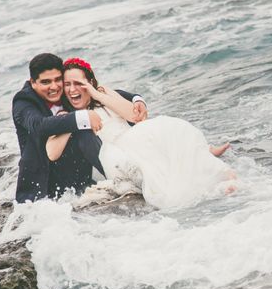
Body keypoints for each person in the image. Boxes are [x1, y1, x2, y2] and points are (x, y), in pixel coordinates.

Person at [46, 57, 234, 209]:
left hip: (135, 138)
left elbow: (134, 116)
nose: (72, 90)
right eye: (67, 84)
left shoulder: (104, 94)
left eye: (78, 83)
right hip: (114, 155)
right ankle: (203, 157)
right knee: (158, 161)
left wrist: (97, 95)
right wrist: (73, 121)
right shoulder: (68, 115)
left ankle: (209, 161)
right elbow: (52, 153)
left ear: (90, 82)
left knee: (170, 126)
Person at [12, 53, 147, 203]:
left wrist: (136, 98)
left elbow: (107, 93)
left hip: (84, 170)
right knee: (84, 133)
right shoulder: (24, 101)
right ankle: (119, 179)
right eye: (46, 82)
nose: (54, 86)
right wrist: (82, 117)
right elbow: (39, 125)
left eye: (58, 80)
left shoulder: (66, 93)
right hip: (42, 182)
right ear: (33, 82)